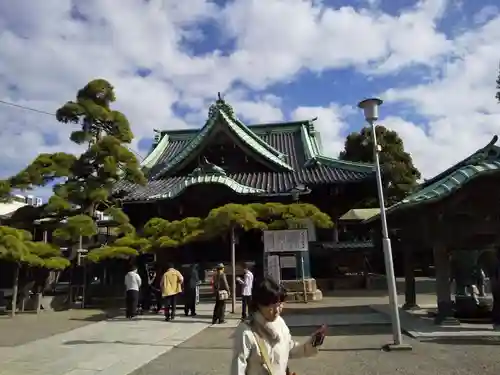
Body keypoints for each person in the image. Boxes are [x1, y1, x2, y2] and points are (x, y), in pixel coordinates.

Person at [231, 277, 326, 375]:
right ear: (259, 304)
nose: (277, 310)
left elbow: (289, 349)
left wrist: (312, 343)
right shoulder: (246, 331)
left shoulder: (280, 322)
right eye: (271, 306)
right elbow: (238, 367)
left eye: (279, 304)